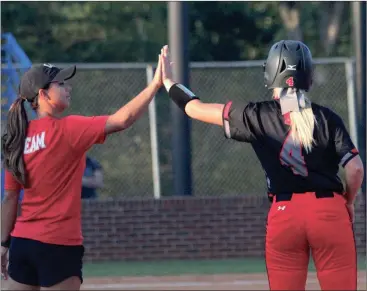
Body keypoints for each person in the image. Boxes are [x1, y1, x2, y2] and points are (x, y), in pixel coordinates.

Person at [159, 42, 364, 290]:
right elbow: (355, 169)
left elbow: (194, 108)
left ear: (270, 74)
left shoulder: (254, 114)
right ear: (308, 75)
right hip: (329, 212)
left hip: (284, 213)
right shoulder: (327, 117)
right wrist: (349, 201)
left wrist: (169, 82)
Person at [1, 54, 163, 290]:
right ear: (43, 94)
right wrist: (155, 84)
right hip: (58, 243)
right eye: (60, 83)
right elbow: (122, 119)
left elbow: (10, 198)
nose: (68, 87)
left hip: (22, 243)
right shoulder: (68, 128)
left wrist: (3, 244)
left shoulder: (17, 139)